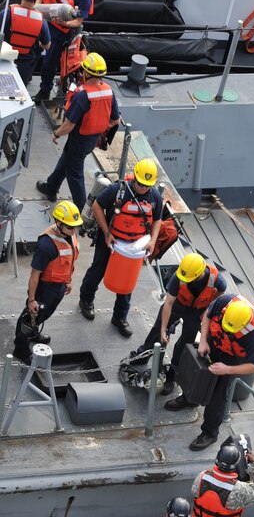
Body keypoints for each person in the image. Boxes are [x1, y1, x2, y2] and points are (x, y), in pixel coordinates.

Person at [165, 293, 254, 451]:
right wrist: (203, 341)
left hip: (231, 358)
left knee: (218, 395)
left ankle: (210, 433)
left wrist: (227, 369)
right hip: (213, 343)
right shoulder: (224, 302)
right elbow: (207, 316)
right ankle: (189, 399)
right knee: (197, 374)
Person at [78, 158, 163, 337]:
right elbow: (97, 206)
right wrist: (107, 233)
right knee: (98, 270)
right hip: (111, 241)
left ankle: (120, 317)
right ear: (135, 178)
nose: (143, 188)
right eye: (140, 184)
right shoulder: (118, 190)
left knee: (127, 282)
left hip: (134, 247)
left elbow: (157, 220)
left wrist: (153, 241)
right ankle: (86, 299)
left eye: (147, 185)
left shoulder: (155, 196)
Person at [128, 252, 227, 395]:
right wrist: (163, 330)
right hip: (178, 304)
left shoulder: (216, 279)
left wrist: (207, 309)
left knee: (185, 342)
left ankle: (171, 376)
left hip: (197, 311)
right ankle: (142, 355)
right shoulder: (178, 277)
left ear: (199, 274)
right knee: (157, 331)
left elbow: (221, 293)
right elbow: (168, 303)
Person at [36, 52, 119, 213]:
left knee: (74, 174)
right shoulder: (109, 91)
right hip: (93, 140)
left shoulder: (82, 95)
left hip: (79, 140)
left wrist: (56, 134)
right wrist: (98, 125)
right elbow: (115, 120)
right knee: (66, 160)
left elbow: (69, 125)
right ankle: (51, 187)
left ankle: (81, 210)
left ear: (86, 73)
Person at [13, 201, 82, 364]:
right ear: (59, 224)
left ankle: (33, 333)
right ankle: (20, 348)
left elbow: (68, 261)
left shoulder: (69, 236)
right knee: (30, 317)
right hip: (45, 289)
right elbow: (34, 274)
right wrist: (32, 300)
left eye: (75, 226)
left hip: (59, 286)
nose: (74, 230)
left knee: (44, 314)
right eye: (70, 227)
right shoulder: (46, 245)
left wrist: (67, 281)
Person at [34, 0, 93, 104]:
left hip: (59, 34)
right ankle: (27, 77)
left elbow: (78, 21)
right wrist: (37, 8)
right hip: (42, 24)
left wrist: (65, 23)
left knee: (50, 62)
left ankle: (45, 90)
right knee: (32, 52)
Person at [0, 0, 51, 85]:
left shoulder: (7, 13)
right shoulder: (42, 21)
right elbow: (47, 46)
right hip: (25, 65)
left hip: (4, 59)